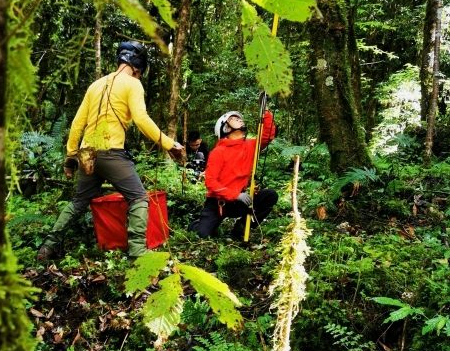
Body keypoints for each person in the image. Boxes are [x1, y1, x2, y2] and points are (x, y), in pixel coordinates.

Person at [38, 41, 184, 261]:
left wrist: (70, 156)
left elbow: (78, 123)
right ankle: (137, 252)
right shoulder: (133, 84)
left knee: (79, 201)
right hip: (111, 152)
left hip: (87, 154)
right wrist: (169, 144)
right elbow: (141, 119)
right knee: (138, 198)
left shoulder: (95, 85)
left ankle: (47, 247)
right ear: (137, 67)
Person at [189, 109, 278, 240]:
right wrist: (235, 195)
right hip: (218, 203)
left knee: (270, 195)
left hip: (240, 201)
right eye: (234, 119)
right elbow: (211, 182)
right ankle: (198, 224)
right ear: (225, 128)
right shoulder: (218, 152)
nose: (239, 119)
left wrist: (266, 112)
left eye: (239, 118)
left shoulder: (249, 146)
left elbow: (267, 136)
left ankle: (240, 227)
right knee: (201, 235)